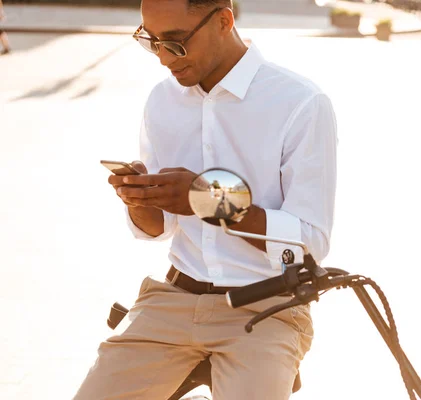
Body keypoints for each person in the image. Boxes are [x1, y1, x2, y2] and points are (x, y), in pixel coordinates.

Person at [73, 0, 338, 399]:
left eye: (176, 44)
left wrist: (207, 199)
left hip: (266, 308)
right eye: (152, 41)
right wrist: (138, 200)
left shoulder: (300, 102)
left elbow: (308, 245)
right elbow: (158, 229)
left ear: (223, 21)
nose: (163, 59)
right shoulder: (162, 100)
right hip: (172, 299)